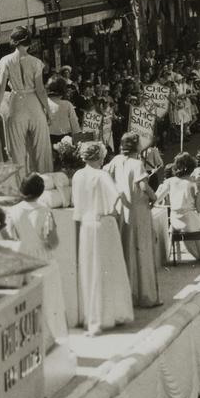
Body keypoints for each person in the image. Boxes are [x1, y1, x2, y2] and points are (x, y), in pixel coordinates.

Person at [70, 142, 134, 337]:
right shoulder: (101, 175)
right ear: (100, 157)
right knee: (109, 269)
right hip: (103, 223)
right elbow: (117, 197)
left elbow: (77, 206)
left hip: (86, 226)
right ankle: (112, 314)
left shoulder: (77, 176)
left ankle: (95, 318)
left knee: (90, 271)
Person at [6, 174, 69, 345]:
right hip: (44, 261)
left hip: (24, 263)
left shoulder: (12, 212)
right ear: (41, 191)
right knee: (50, 305)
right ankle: (51, 342)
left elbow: (10, 239)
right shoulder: (45, 211)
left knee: (29, 308)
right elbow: (53, 241)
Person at [106, 134, 162, 307]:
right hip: (139, 209)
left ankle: (128, 295)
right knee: (142, 250)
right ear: (136, 146)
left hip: (123, 209)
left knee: (127, 248)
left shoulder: (115, 161)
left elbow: (107, 178)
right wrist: (154, 197)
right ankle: (146, 296)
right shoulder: (136, 164)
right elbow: (144, 186)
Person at [0, 27, 53, 174]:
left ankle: (21, 184)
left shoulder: (5, 61)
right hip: (33, 102)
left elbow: (1, 87)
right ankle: (44, 179)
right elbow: (40, 89)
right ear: (28, 42)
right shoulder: (36, 62)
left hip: (16, 103)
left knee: (17, 150)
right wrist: (47, 109)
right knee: (40, 148)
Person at [167, 152, 200, 261]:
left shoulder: (170, 181)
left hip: (175, 220)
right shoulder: (194, 184)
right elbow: (199, 208)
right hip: (189, 221)